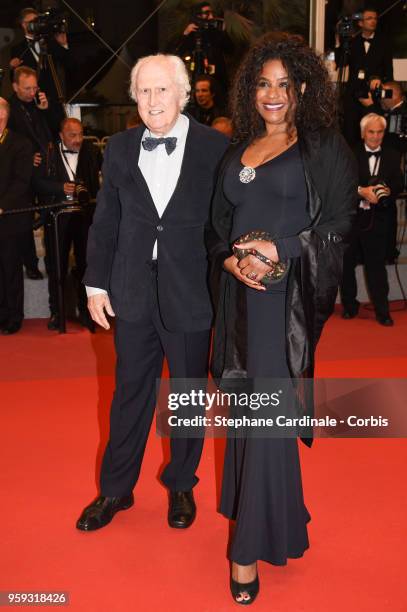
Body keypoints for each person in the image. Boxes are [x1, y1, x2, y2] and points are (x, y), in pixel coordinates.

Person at [208, 32, 357, 604]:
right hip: (238, 298)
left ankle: (246, 552)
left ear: (303, 90)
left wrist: (281, 250)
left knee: (266, 415)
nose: (274, 94)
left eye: (285, 85)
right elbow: (217, 224)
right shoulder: (238, 147)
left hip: (282, 302)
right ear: (251, 91)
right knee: (246, 411)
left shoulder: (321, 146)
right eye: (264, 84)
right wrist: (228, 257)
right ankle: (282, 516)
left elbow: (340, 222)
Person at [76, 54, 228, 532]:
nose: (153, 99)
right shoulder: (119, 148)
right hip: (132, 290)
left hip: (190, 292)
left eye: (163, 90)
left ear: (184, 94)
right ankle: (115, 490)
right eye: (144, 91)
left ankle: (181, 482)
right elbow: (107, 221)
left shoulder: (215, 148)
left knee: (185, 395)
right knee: (129, 395)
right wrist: (96, 282)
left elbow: (224, 224)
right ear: (134, 98)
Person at [33, 117, 102, 332]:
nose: (78, 139)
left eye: (81, 134)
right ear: (61, 135)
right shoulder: (47, 153)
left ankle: (86, 311)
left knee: (86, 266)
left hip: (84, 217)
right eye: (73, 135)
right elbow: (36, 184)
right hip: (57, 217)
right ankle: (57, 312)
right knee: (56, 267)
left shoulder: (91, 151)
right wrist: (59, 187)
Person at [340, 113, 402, 326]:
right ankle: (349, 306)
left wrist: (388, 190)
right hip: (351, 218)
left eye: (379, 132)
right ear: (363, 132)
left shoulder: (393, 155)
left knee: (376, 267)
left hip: (379, 220)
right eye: (371, 132)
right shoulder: (349, 153)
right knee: (346, 264)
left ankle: (382, 311)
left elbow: (399, 184)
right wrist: (361, 191)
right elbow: (341, 184)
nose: (375, 136)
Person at [8, 65, 55, 281]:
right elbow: (8, 143)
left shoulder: (39, 104)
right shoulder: (7, 109)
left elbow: (54, 132)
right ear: (15, 86)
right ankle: (30, 264)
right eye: (27, 88)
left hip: (45, 170)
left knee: (49, 216)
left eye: (35, 88)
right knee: (25, 223)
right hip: (22, 175)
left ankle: (52, 262)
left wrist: (45, 109)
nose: (32, 92)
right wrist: (26, 158)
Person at [335, 7, 393, 145]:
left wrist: (381, 81)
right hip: (352, 97)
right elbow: (341, 63)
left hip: (374, 98)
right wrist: (339, 41)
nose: (373, 21)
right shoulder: (352, 42)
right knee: (350, 135)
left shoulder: (383, 43)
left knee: (372, 134)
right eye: (369, 18)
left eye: (375, 18)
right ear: (360, 23)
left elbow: (389, 72)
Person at [9, 7, 73, 129]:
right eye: (31, 22)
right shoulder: (17, 49)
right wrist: (12, 68)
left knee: (55, 134)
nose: (35, 25)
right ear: (23, 25)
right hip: (31, 101)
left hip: (53, 100)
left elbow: (69, 64)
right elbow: (14, 81)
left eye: (37, 22)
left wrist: (64, 45)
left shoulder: (49, 43)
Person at [0, 98, 33, 335]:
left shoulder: (20, 144)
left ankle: (14, 316)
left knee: (10, 269)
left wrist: (2, 206)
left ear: (4, 115)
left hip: (10, 217)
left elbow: (22, 181)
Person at [174, 2, 232, 100]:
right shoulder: (193, 33)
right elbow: (177, 53)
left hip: (218, 78)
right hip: (198, 75)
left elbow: (230, 50)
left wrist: (224, 33)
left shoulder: (216, 32)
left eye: (211, 13)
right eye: (207, 13)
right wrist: (185, 34)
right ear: (198, 15)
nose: (211, 16)